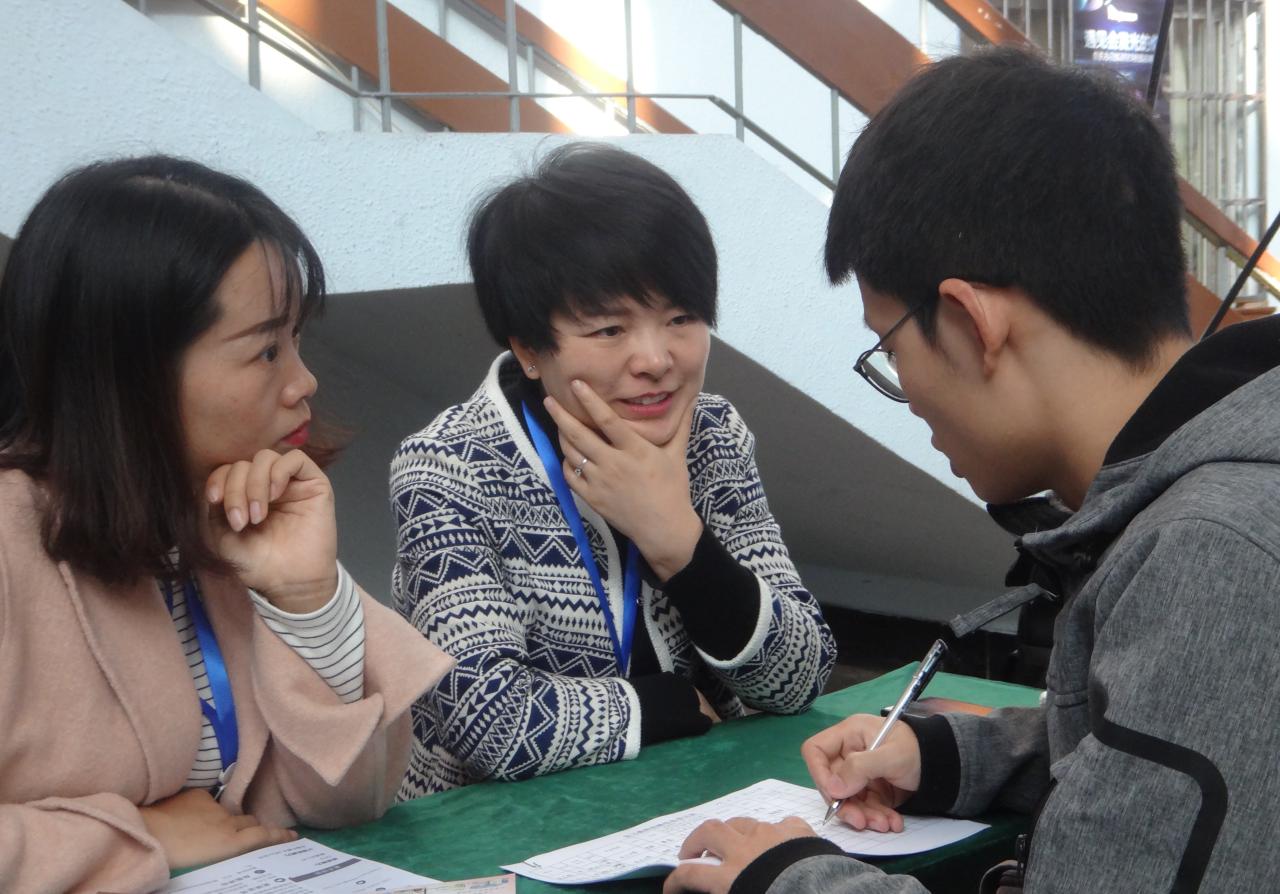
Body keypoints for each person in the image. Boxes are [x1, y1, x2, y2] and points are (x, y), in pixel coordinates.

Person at [665, 47, 1280, 893]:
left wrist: (787, 878)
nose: (906, 392)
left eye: (889, 348)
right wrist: (954, 756)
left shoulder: (1211, 551)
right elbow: (1209, 755)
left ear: (969, 321)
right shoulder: (1221, 491)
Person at [0, 155, 453, 893]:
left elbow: (350, 801)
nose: (304, 381)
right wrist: (135, 836)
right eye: (267, 350)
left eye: (297, 340)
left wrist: (308, 601)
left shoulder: (223, 510)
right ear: (131, 371)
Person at [391, 142, 836, 796]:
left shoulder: (712, 435)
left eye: (680, 318)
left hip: (693, 802)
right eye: (609, 330)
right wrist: (666, 706)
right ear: (529, 348)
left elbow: (801, 674)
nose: (655, 359)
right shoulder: (451, 468)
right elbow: (490, 722)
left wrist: (677, 540)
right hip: (506, 834)